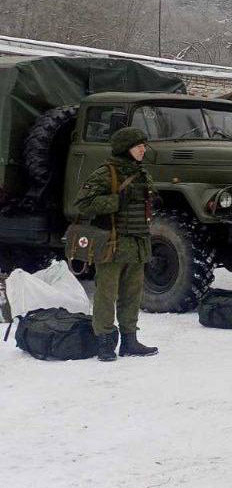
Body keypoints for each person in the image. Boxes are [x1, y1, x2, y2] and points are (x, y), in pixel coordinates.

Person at [73, 126, 159, 362]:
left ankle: (129, 340)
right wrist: (116, 201)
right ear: (125, 149)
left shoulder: (142, 174)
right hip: (112, 244)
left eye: (143, 145)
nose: (143, 149)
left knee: (132, 295)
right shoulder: (106, 173)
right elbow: (83, 203)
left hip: (137, 243)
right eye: (138, 146)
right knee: (106, 294)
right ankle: (105, 342)